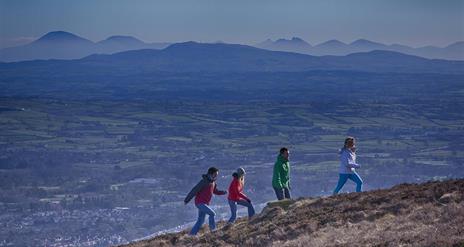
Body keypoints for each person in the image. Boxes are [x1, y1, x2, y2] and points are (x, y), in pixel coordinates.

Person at [184, 167, 227, 235]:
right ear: (210, 173)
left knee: (201, 221)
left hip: (205, 204)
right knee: (212, 214)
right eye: (215, 174)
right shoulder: (204, 181)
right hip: (200, 203)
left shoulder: (213, 183)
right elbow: (194, 190)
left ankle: (191, 235)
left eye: (217, 175)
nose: (216, 176)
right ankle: (213, 231)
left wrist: (223, 192)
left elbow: (215, 191)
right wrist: (187, 200)